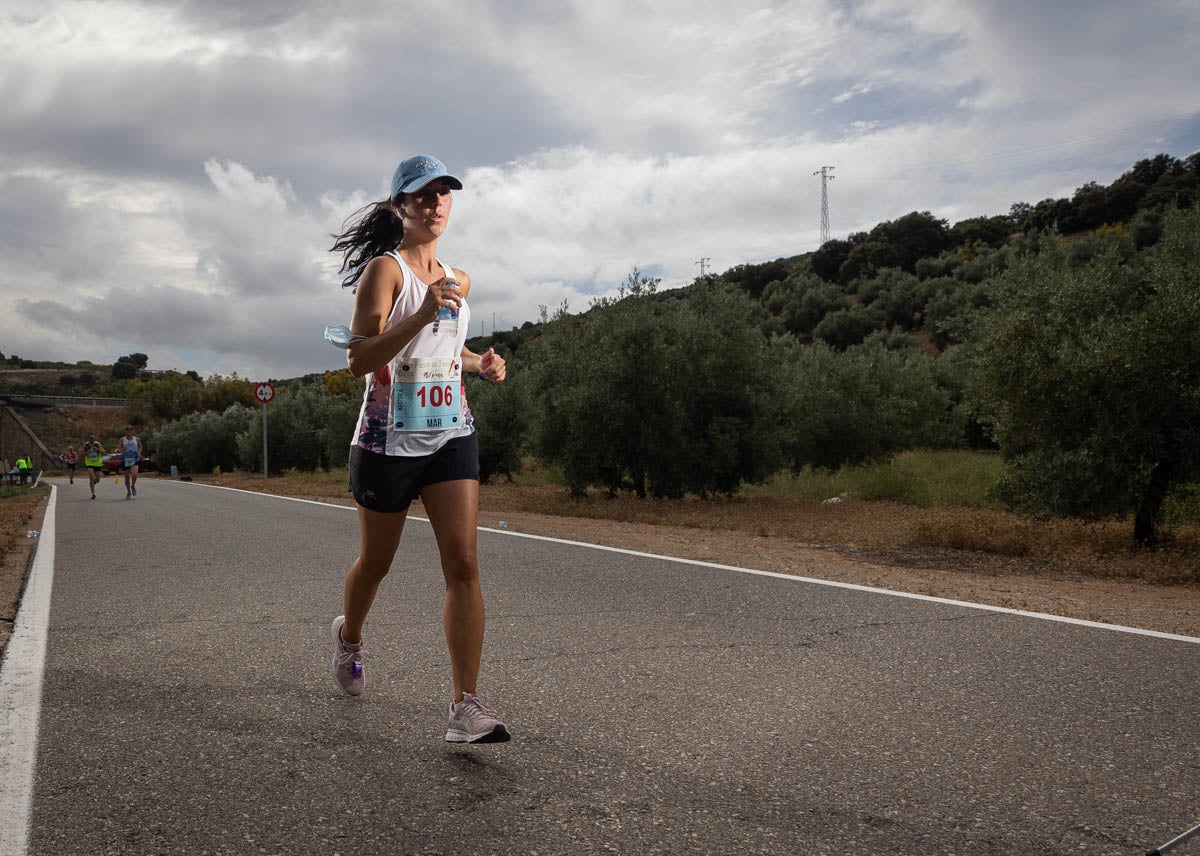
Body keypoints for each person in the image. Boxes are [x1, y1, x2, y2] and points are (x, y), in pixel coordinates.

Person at [328, 153, 510, 744]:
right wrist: (427, 308)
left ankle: (465, 707)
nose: (435, 204)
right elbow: (360, 357)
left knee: (462, 564)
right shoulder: (386, 273)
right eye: (422, 195)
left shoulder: (460, 278)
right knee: (376, 563)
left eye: (443, 194)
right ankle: (349, 635)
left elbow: (442, 347)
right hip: (386, 442)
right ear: (399, 206)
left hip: (450, 432)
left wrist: (478, 361)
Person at [116, 425, 142, 499]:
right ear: (125, 431)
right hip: (125, 459)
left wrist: (139, 452)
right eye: (127, 430)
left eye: (130, 430)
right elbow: (117, 449)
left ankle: (133, 485)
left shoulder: (136, 439)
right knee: (127, 477)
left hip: (134, 458)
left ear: (132, 431)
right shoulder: (122, 439)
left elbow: (140, 446)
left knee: (134, 474)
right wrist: (122, 449)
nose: (129, 432)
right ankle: (128, 492)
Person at [83, 434, 105, 499]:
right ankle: (93, 494)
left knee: (97, 480)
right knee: (91, 477)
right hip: (89, 463)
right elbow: (81, 454)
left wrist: (98, 450)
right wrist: (87, 452)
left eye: (92, 438)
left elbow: (104, 452)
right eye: (90, 438)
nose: (91, 439)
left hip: (97, 463)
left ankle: (95, 481)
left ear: (94, 438)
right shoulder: (86, 445)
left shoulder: (98, 444)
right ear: (88, 439)